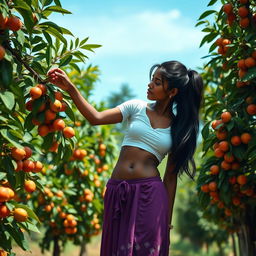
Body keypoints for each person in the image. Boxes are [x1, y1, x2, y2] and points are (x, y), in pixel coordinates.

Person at [47, 60, 204, 256]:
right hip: (117, 189)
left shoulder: (178, 129)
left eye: (157, 82)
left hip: (150, 194)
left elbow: (170, 179)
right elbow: (95, 117)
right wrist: (70, 88)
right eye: (152, 80)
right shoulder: (136, 107)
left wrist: (166, 225)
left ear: (172, 92)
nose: (150, 84)